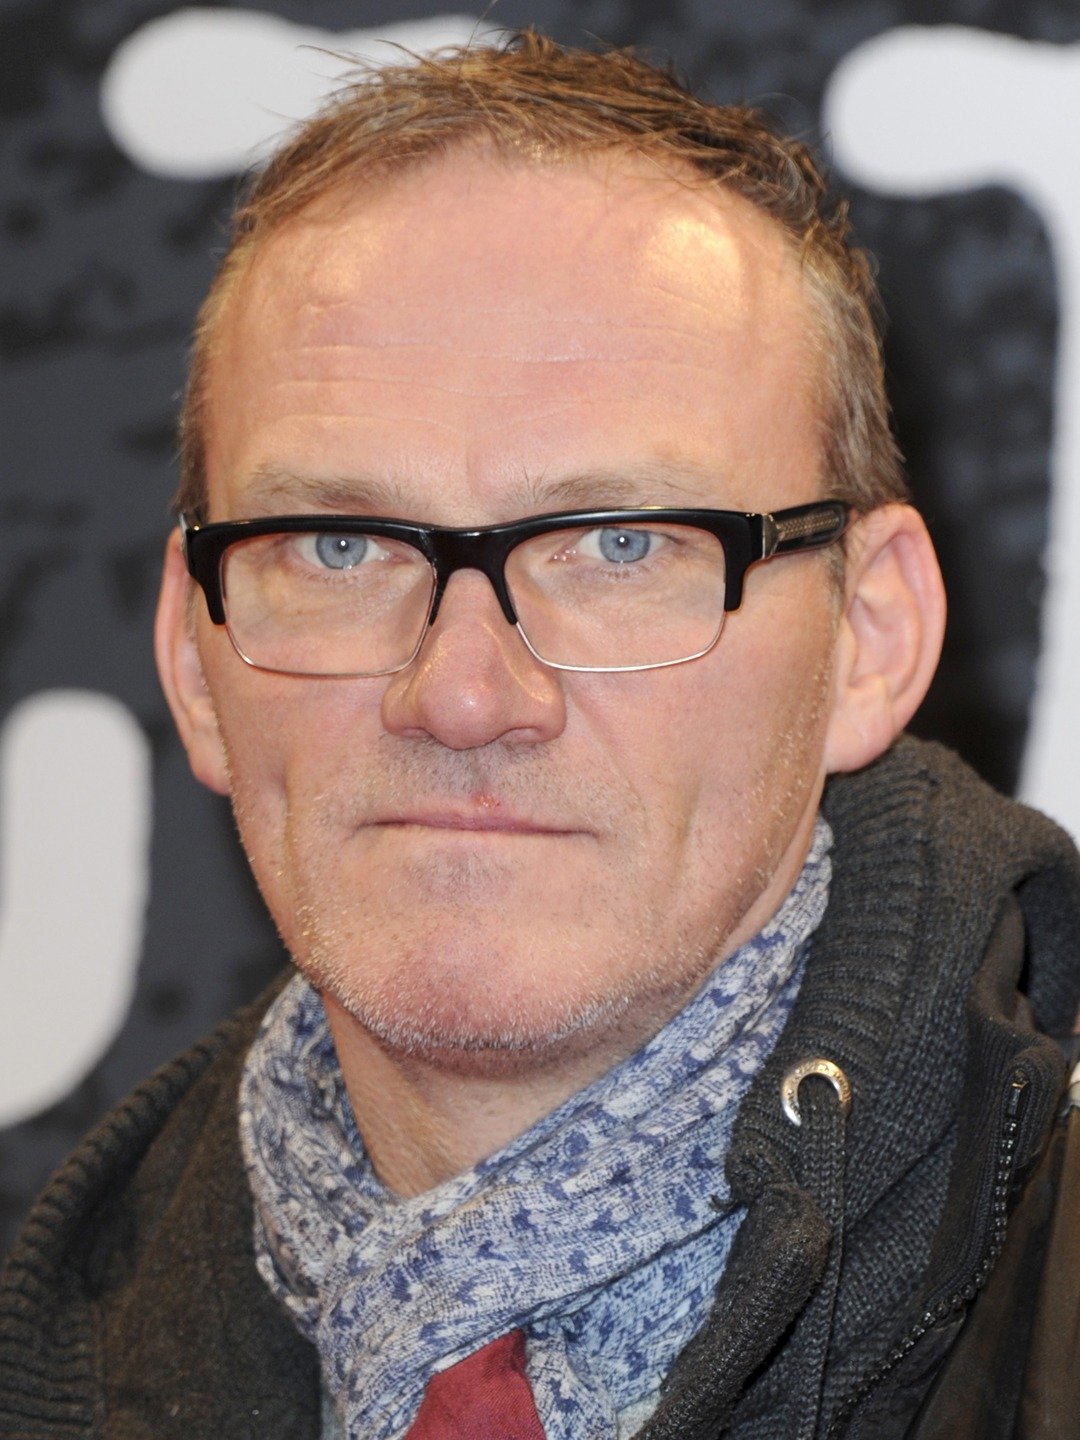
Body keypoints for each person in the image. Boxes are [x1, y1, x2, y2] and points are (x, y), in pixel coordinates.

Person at [1, 30, 1077, 1440]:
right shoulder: (51, 1346)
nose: (463, 695)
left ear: (868, 638)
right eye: (338, 545)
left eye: (623, 543)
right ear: (194, 665)